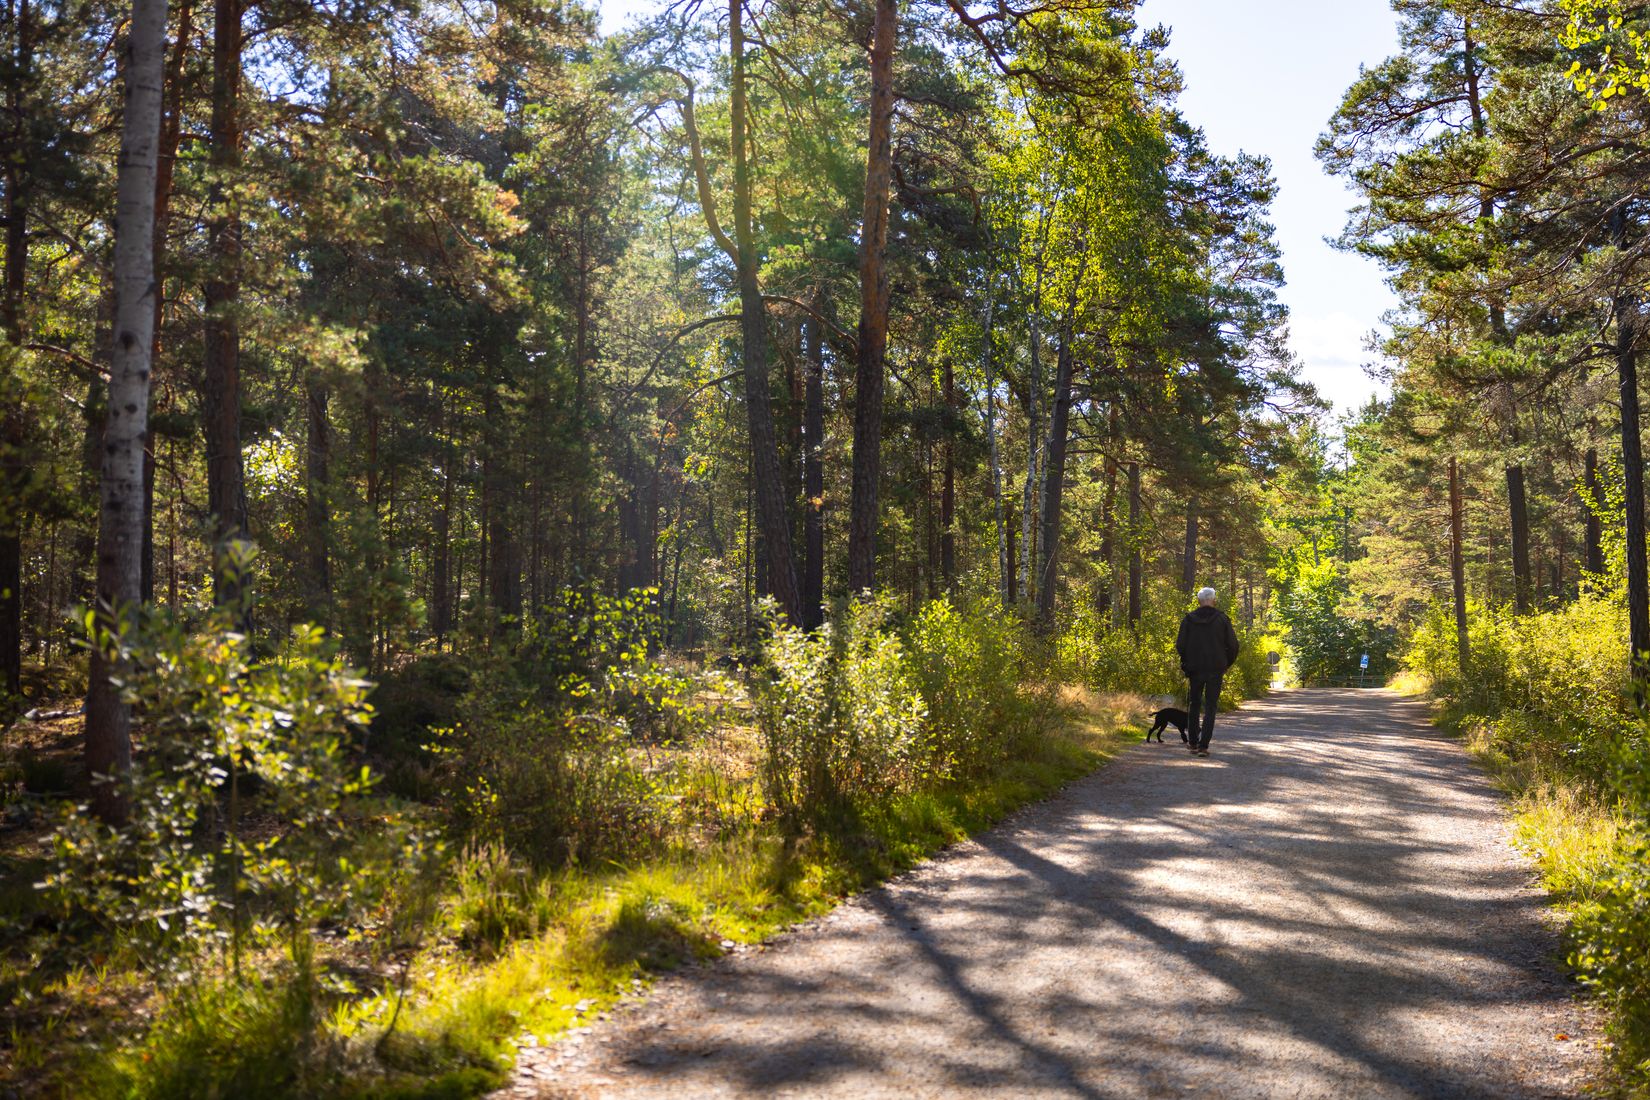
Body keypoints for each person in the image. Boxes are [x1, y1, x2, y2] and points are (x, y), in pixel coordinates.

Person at [1175, 586, 1240, 757]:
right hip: (1215, 669)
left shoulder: (1188, 620)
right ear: (1213, 600)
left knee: (1194, 704)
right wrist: (1226, 663)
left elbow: (1180, 645)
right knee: (1211, 706)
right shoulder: (1222, 619)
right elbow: (1233, 645)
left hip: (1194, 669)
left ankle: (1193, 743)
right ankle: (1204, 746)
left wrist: (1186, 661)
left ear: (1199, 601)